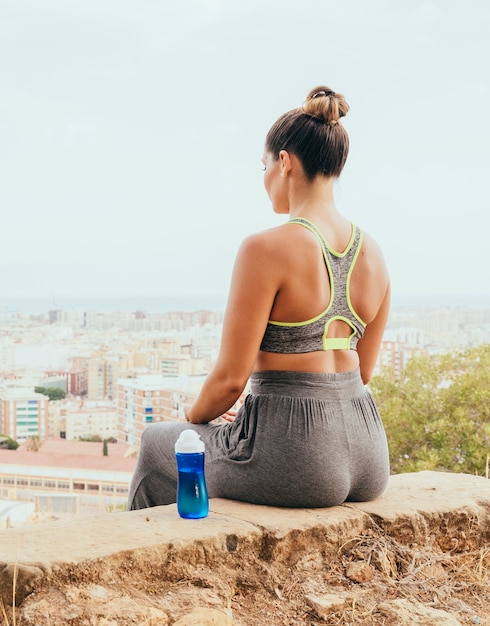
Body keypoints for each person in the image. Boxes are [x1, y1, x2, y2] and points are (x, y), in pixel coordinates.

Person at [128, 86, 390, 510]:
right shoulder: (373, 252)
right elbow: (365, 371)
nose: (264, 176)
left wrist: (196, 422)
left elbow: (231, 380)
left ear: (284, 162)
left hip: (299, 456)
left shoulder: (265, 249)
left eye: (264, 165)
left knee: (160, 443)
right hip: (369, 452)